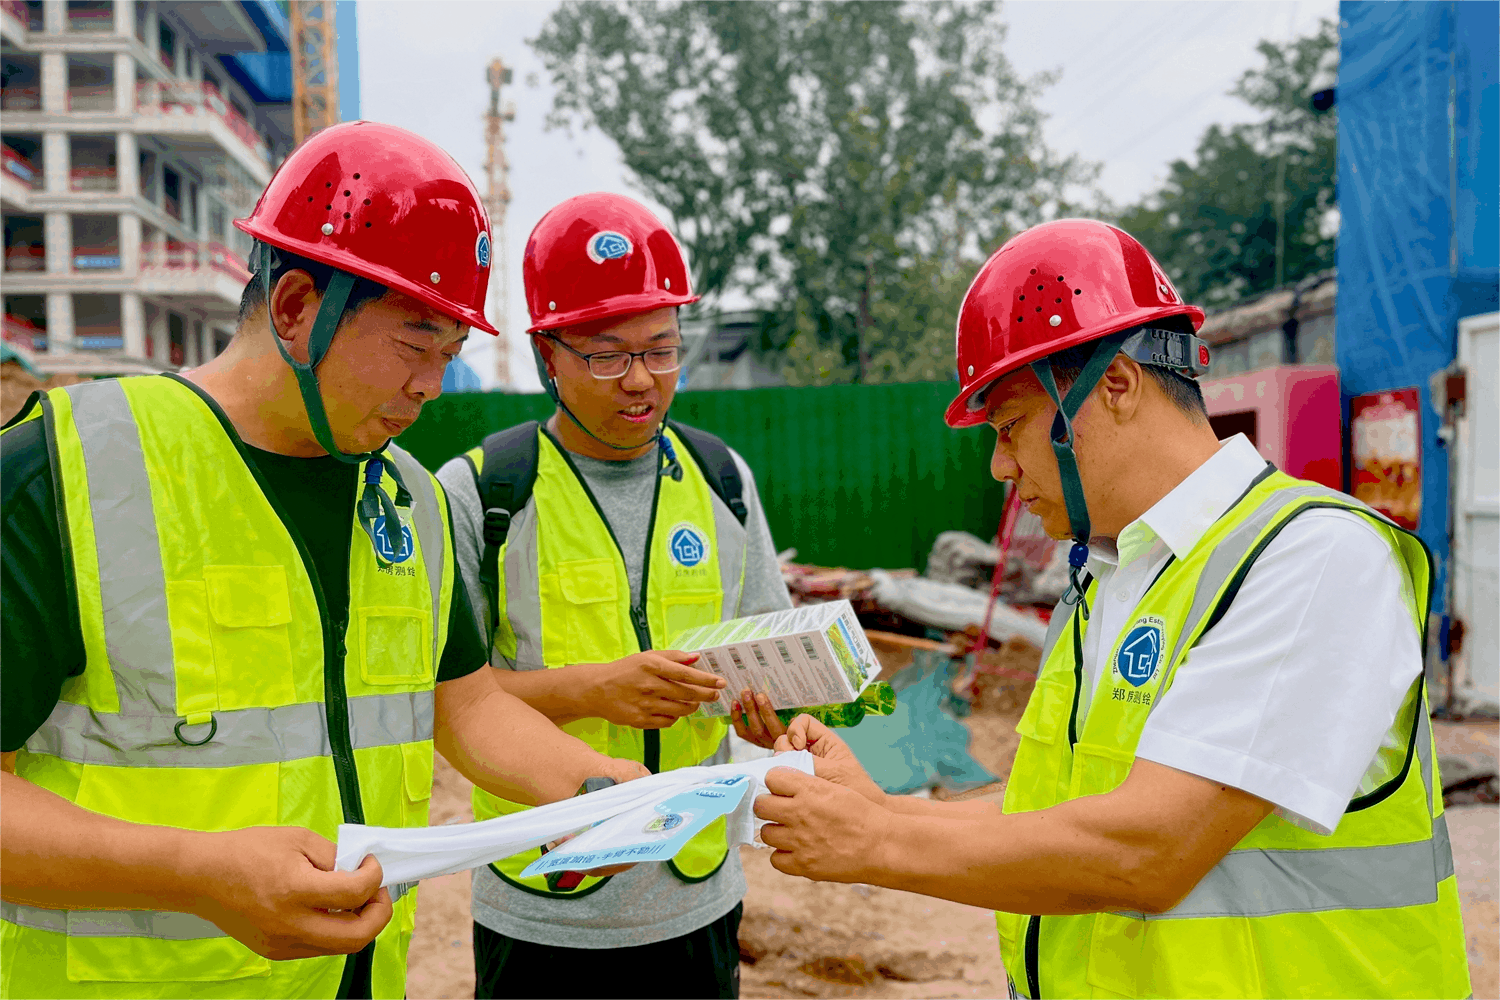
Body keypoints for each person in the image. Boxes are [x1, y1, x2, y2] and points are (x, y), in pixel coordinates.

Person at [0, 122, 646, 1000]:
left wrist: (597, 788)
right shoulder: (67, 472)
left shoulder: (407, 498)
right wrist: (194, 873)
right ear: (297, 307)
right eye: (415, 344)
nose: (431, 386)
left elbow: (466, 706)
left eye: (450, 355)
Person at [754, 219, 1471, 999]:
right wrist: (880, 809)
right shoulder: (1112, 575)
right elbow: (1059, 814)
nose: (999, 466)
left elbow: (1150, 849)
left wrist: (879, 842)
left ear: (1117, 385)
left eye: (1010, 427)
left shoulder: (1310, 558)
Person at [434, 192, 793, 999]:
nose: (641, 381)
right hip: (541, 907)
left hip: (698, 895)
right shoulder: (483, 492)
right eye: (606, 355)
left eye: (662, 350)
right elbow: (446, 701)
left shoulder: (722, 478)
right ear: (548, 355)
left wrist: (770, 710)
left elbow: (766, 648)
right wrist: (594, 689)